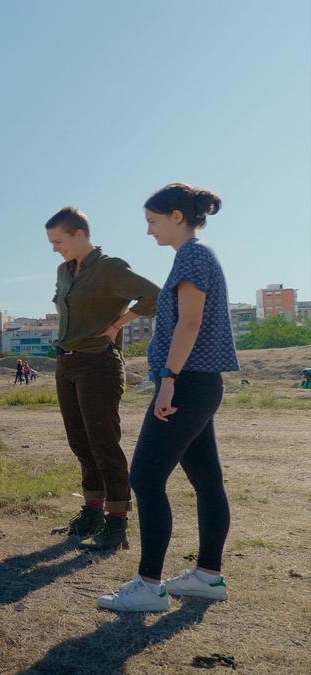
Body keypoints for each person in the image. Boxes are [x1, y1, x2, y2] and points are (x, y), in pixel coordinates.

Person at [97, 184, 236, 612]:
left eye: (152, 222)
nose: (148, 231)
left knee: (145, 478)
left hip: (188, 382)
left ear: (177, 216)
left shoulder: (193, 255)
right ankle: (208, 577)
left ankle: (149, 586)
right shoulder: (195, 254)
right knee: (206, 480)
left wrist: (170, 379)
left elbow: (189, 324)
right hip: (199, 382)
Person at [45, 205, 159, 553]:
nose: (55, 248)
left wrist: (115, 326)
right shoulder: (64, 272)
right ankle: (92, 513)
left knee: (103, 444)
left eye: (59, 240)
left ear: (80, 234)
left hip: (98, 363)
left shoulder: (110, 268)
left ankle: (117, 523)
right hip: (67, 363)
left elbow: (154, 296)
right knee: (80, 443)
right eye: (51, 242)